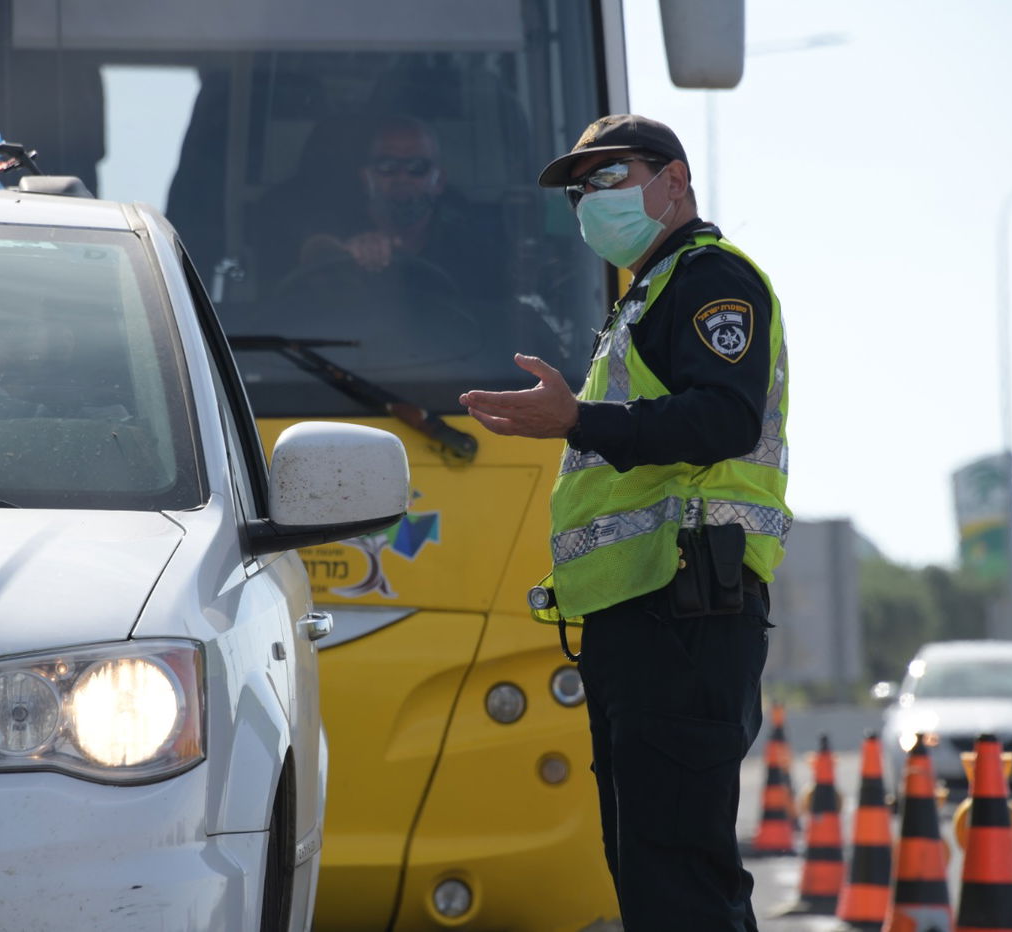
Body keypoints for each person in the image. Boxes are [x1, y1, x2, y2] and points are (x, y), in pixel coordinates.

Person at [458, 114, 792, 931]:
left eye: (611, 177)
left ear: (674, 181)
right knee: (650, 875)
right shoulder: (644, 294)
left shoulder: (710, 280)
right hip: (643, 620)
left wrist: (579, 421)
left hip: (685, 610)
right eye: (582, 188)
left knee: (680, 881)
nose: (590, 199)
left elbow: (723, 420)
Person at [288, 114, 501, 298]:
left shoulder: (470, 247)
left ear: (439, 181)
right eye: (387, 166)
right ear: (366, 178)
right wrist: (344, 254)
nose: (402, 177)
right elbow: (315, 250)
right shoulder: (335, 223)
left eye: (417, 167)